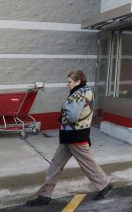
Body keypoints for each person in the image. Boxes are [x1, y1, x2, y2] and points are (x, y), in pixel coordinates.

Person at [26, 70, 113, 206]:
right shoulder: (86, 91)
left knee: (87, 164)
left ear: (78, 81)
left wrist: (62, 117)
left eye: (69, 82)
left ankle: (105, 185)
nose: (67, 84)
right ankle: (44, 195)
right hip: (72, 135)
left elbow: (72, 116)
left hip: (74, 136)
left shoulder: (79, 94)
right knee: (56, 165)